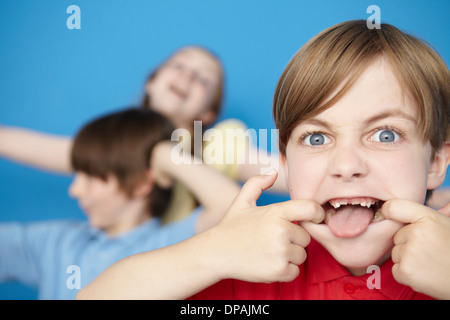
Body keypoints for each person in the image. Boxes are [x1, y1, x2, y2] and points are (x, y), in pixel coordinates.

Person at [76, 20, 450, 300]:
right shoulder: (252, 270)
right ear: (285, 164)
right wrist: (215, 251)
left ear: (435, 161)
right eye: (316, 138)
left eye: (385, 135)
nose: (346, 164)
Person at [0, 45, 286, 224]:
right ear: (151, 82)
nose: (187, 76)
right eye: (179, 65)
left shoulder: (216, 146)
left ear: (207, 114)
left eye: (202, 78)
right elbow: (50, 150)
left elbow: (283, 174)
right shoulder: (118, 142)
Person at [0, 108, 240, 299]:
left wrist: (164, 155)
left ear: (140, 184)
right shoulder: (57, 243)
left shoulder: (170, 246)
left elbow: (233, 205)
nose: (74, 189)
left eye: (91, 176)